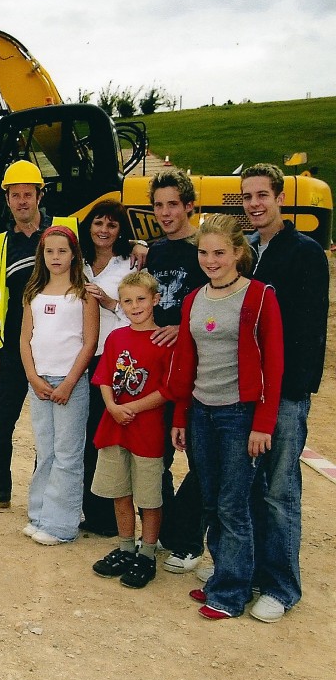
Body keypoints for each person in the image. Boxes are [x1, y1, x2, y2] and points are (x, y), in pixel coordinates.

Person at [169, 214, 283, 620]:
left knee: (235, 505)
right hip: (201, 412)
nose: (211, 260)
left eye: (219, 252)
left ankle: (232, 592)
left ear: (238, 253)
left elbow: (274, 364)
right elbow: (185, 361)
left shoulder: (259, 296)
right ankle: (223, 576)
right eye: (204, 252)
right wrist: (181, 416)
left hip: (239, 415)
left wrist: (263, 424)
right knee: (214, 502)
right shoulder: (193, 300)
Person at [0, 160, 74, 511]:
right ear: (7, 200)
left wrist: (138, 246)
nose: (22, 201)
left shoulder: (65, 232)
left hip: (55, 347)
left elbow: (102, 251)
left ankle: (48, 500)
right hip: (11, 348)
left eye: (28, 194)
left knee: (52, 429)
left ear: (40, 195)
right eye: (15, 195)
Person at [242, 163, 329, 622]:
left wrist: (292, 392)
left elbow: (310, 330)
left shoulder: (305, 253)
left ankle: (281, 586)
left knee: (279, 489)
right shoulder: (247, 252)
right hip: (246, 391)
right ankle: (253, 572)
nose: (255, 204)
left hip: (285, 394)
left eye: (262, 195)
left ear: (279, 198)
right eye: (248, 197)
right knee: (250, 486)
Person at [144, 170, 208, 574]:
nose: (165, 213)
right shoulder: (153, 253)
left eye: (172, 204)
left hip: (200, 371)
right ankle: (169, 534)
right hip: (158, 371)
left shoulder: (205, 250)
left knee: (202, 460)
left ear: (188, 205)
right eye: (158, 205)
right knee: (159, 456)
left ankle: (187, 537)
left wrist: (182, 330)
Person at [89, 270, 170, 588]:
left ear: (155, 300)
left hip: (146, 430)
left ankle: (147, 554)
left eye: (141, 299)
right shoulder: (116, 338)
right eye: (127, 301)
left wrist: (132, 408)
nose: (135, 306)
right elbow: (105, 377)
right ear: (119, 304)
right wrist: (111, 406)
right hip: (114, 427)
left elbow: (167, 389)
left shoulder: (163, 341)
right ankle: (125, 547)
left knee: (148, 497)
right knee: (120, 492)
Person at [19, 225, 99, 544]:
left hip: (70, 384)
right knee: (46, 450)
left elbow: (89, 343)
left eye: (62, 251)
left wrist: (69, 382)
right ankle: (40, 513)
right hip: (40, 384)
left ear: (73, 255)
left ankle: (62, 524)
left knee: (68, 453)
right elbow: (25, 340)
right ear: (42, 255)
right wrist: (33, 377)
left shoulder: (83, 294)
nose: (55, 257)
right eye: (49, 251)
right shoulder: (33, 293)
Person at [78, 200, 137, 536]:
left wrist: (109, 302)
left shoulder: (130, 263)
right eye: (98, 222)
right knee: (83, 439)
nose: (103, 230)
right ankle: (86, 509)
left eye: (111, 225)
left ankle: (108, 518)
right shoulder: (79, 262)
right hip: (79, 358)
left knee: (106, 440)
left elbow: (140, 310)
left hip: (113, 361)